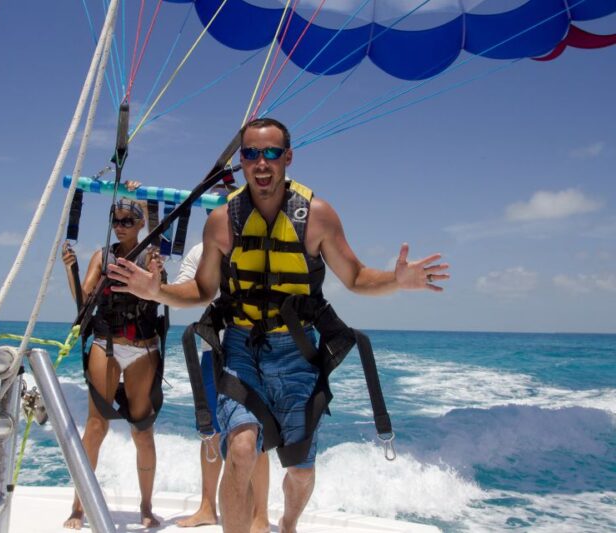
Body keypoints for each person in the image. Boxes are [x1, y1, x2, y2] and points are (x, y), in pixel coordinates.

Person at [106, 118, 450, 533]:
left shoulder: (317, 216)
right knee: (241, 448)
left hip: (297, 352)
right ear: (242, 161)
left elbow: (356, 278)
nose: (261, 163)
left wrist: (398, 280)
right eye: (251, 153)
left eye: (271, 153)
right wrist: (157, 291)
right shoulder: (221, 221)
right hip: (240, 347)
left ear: (287, 157)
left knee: (300, 470)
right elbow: (201, 291)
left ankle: (286, 526)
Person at [61, 194, 163, 529]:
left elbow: (157, 293)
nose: (120, 227)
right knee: (95, 426)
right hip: (106, 346)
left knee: (142, 430)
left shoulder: (151, 257)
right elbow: (83, 302)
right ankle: (79, 506)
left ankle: (146, 507)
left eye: (127, 221)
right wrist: (71, 271)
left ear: (140, 224)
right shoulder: (101, 257)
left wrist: (156, 275)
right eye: (115, 221)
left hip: (142, 350)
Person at [173, 242, 270, 532]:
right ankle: (207, 506)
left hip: (252, 349)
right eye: (218, 193)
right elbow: (180, 295)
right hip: (211, 348)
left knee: (256, 432)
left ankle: (260, 515)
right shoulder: (200, 250)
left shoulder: (261, 240)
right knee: (210, 429)